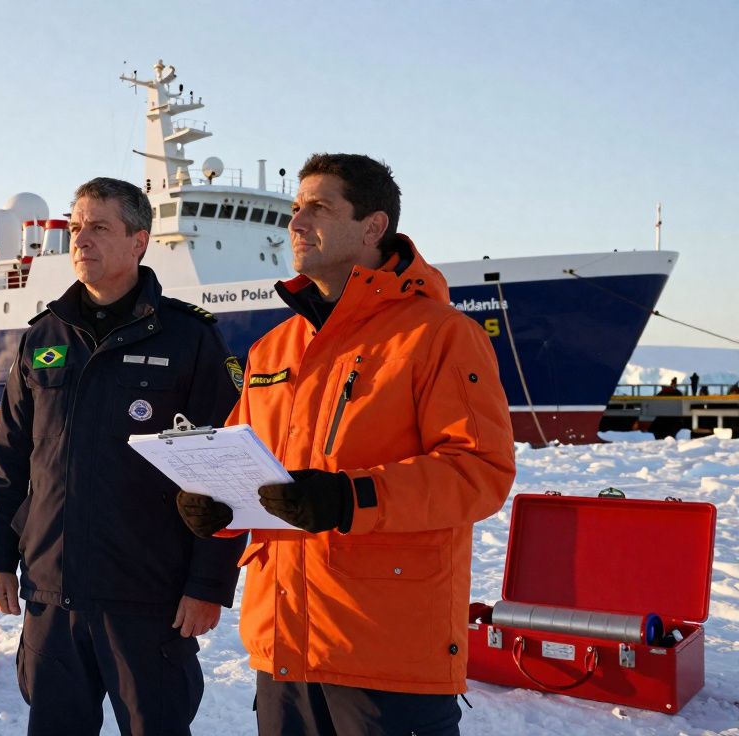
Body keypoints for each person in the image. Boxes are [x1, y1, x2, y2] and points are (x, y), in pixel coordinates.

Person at [176, 154, 516, 736]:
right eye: (295, 208)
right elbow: (247, 459)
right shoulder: (274, 348)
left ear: (373, 226)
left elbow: (479, 471)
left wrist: (350, 498)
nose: (297, 222)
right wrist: (217, 506)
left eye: (319, 207)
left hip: (387, 653)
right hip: (286, 646)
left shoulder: (437, 335)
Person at [0, 177, 246, 736]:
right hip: (53, 594)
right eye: (76, 227)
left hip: (148, 596)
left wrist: (208, 586)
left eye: (99, 227)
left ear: (139, 240)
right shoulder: (43, 336)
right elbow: (11, 457)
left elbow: (222, 472)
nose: (81, 239)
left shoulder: (187, 338)